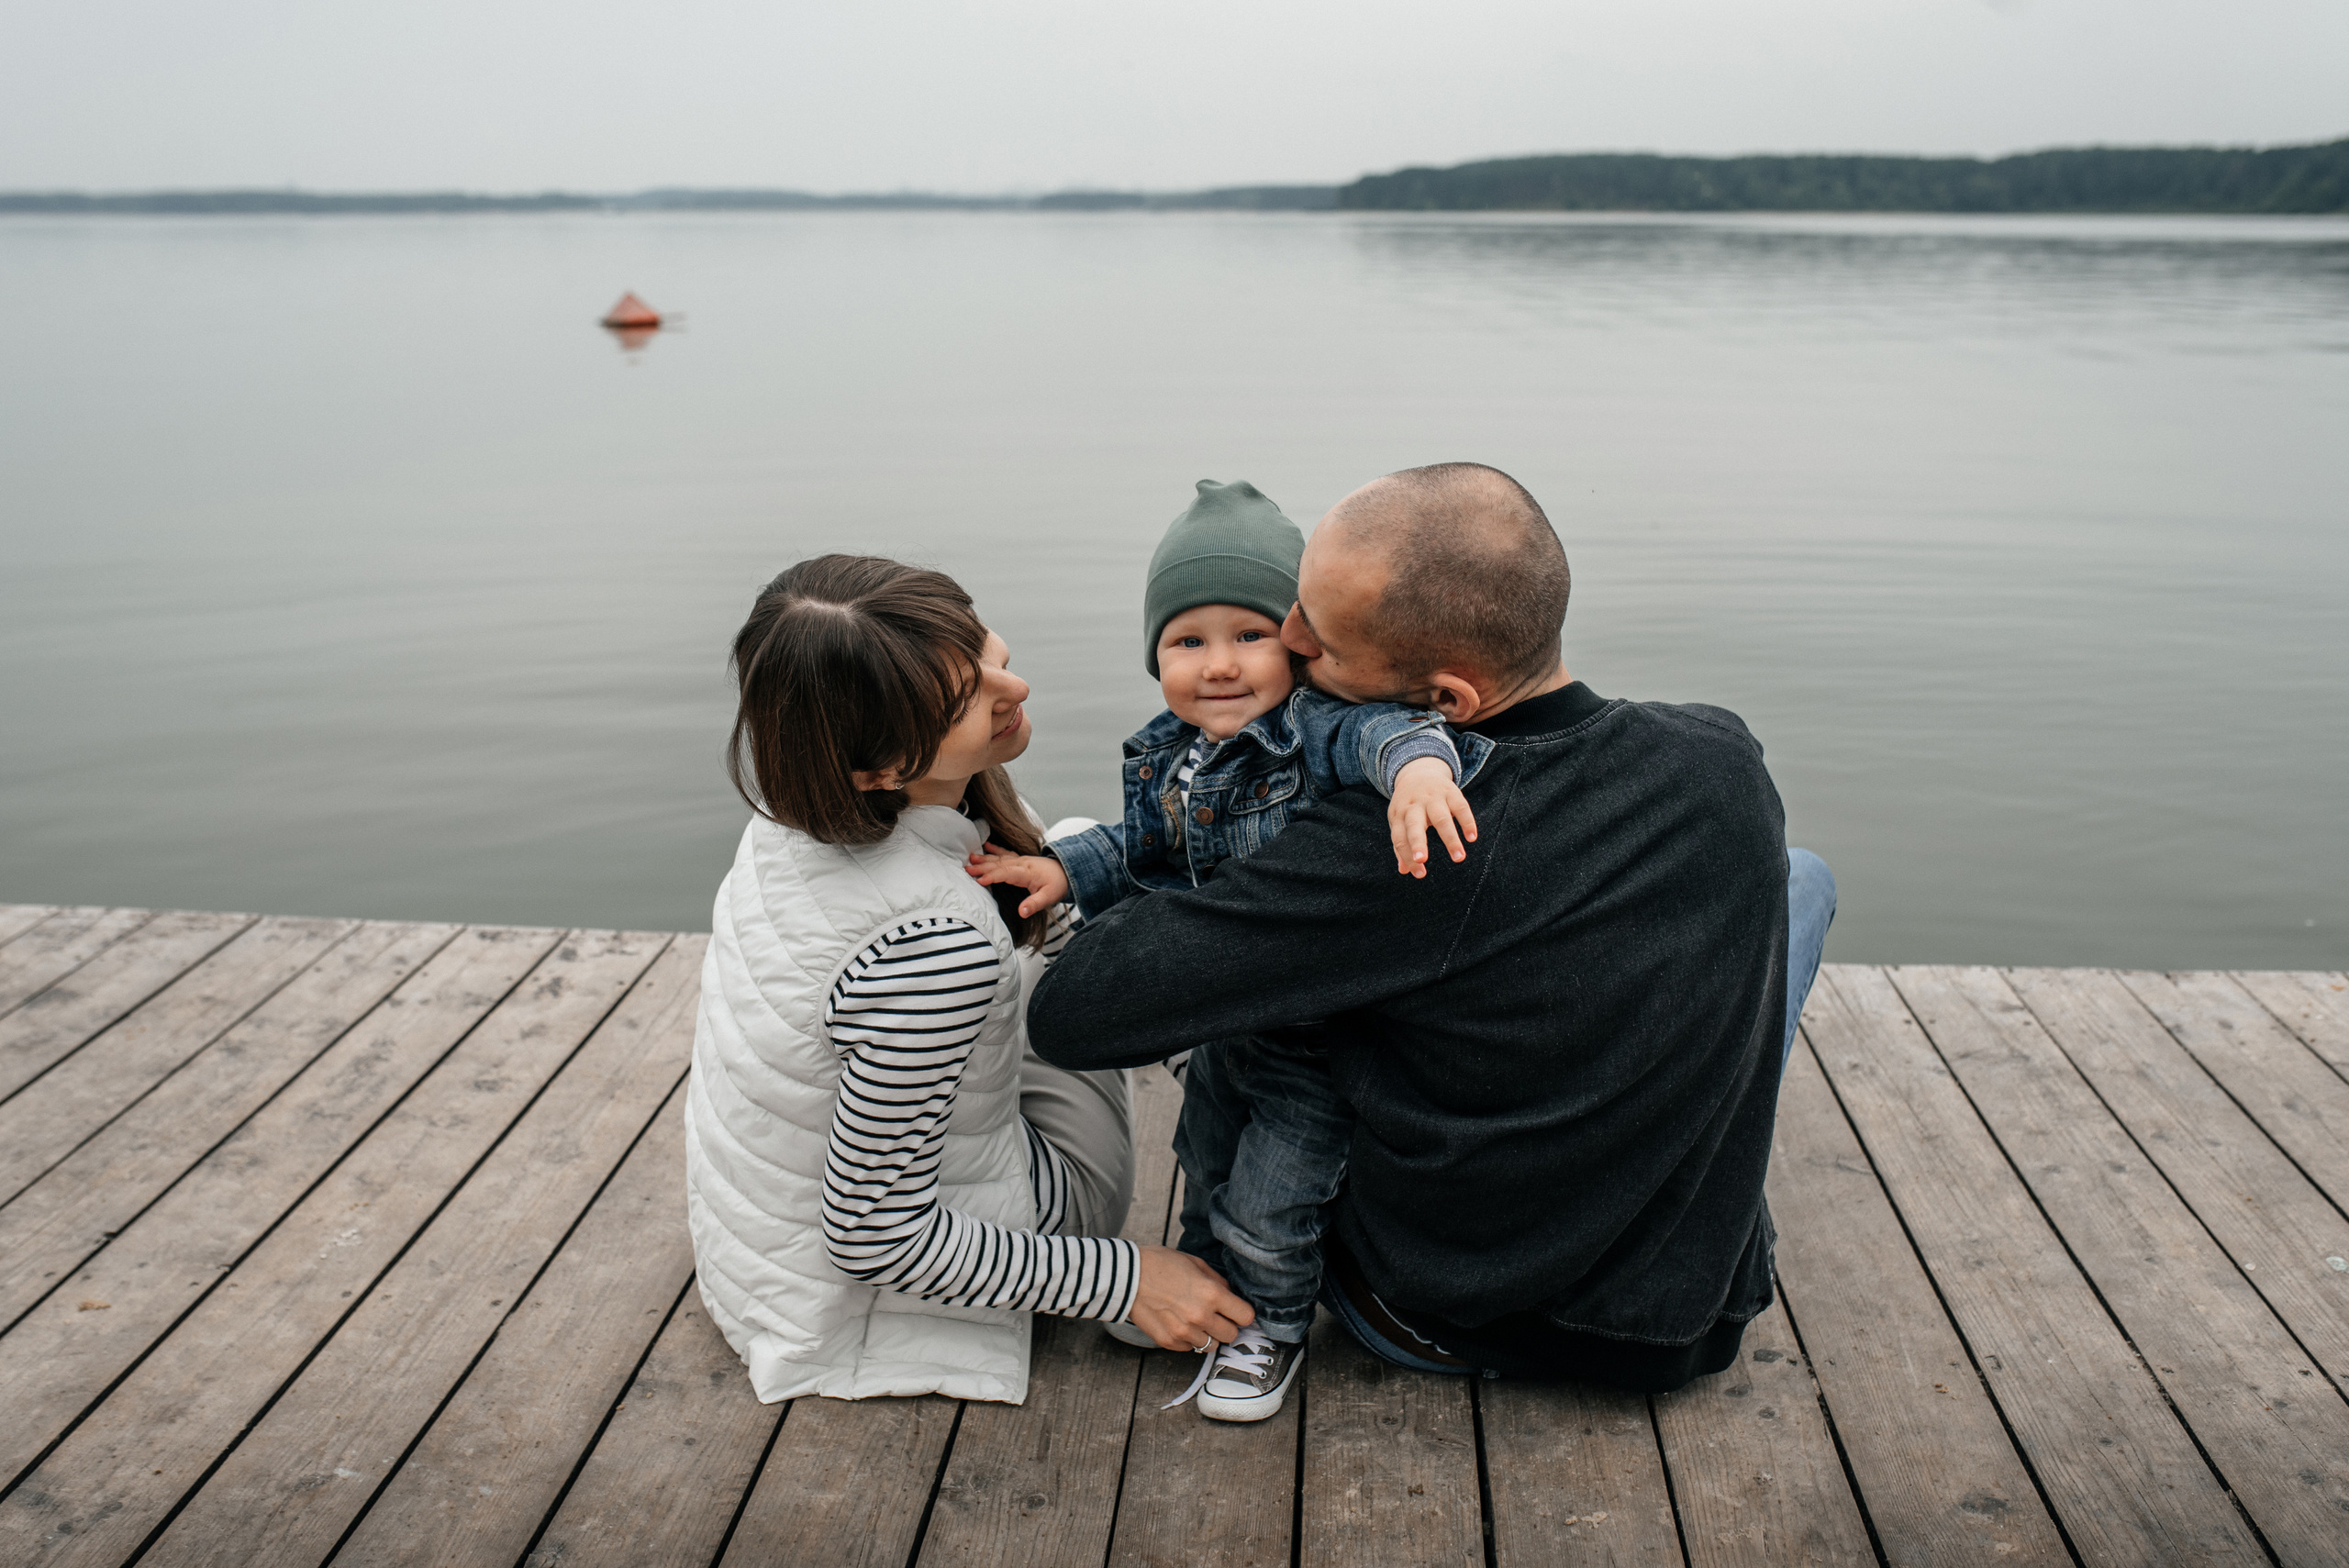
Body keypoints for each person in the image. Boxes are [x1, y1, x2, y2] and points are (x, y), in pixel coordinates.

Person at [1028, 462, 1837, 1394]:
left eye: (1317, 640)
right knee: (1796, 877)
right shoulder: (1719, 753)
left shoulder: (1400, 848)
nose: (1285, 645)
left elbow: (1077, 1013)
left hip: (1441, 1313)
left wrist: (1254, 908)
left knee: (1320, 1012)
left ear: (1443, 701)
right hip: (1691, 1310)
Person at [966, 478, 1488, 1422]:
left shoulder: (1315, 728)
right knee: (1204, 1159)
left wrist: (1417, 774)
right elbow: (1149, 848)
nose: (1218, 665)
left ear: (1298, 639)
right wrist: (1061, 868)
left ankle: (1272, 1321)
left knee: (1275, 1189)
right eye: (1186, 640)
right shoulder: (1173, 750)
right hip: (1223, 1023)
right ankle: (1208, 1293)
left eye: (1249, 635)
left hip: (1320, 1033)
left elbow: (1394, 732)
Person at [684, 554, 1252, 1405]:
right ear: (876, 768)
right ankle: (1224, 1073)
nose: (1012, 687)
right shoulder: (934, 945)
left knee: (1058, 866)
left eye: (987, 651)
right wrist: (1127, 1279)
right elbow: (874, 1238)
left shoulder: (788, 812)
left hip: (761, 1253)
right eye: (968, 699)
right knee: (1078, 872)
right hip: (868, 1293)